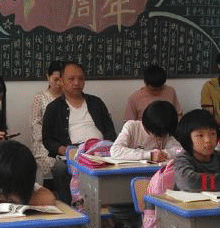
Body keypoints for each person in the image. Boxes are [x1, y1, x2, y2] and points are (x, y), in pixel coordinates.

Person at [41, 61, 116, 203]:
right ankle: (71, 207)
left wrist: (104, 147)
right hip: (73, 153)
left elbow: (110, 131)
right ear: (62, 81)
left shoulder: (96, 102)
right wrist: (65, 151)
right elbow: (47, 139)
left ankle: (110, 207)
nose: (76, 83)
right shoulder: (53, 108)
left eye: (81, 79)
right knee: (59, 168)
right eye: (71, 79)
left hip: (100, 151)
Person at [174, 109, 220, 192]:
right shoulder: (182, 159)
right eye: (200, 135)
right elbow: (188, 182)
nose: (208, 140)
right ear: (187, 139)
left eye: (212, 134)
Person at [110, 100, 183, 163]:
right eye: (157, 135)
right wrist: (149, 155)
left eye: (163, 135)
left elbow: (180, 151)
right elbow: (115, 151)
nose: (159, 138)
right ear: (145, 124)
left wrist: (165, 154)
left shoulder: (166, 130)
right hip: (130, 170)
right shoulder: (132, 127)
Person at [31, 60, 63, 182]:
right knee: (49, 160)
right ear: (48, 77)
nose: (59, 83)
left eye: (62, 79)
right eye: (55, 79)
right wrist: (46, 141)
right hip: (44, 141)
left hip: (65, 141)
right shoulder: (40, 97)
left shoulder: (69, 98)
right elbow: (36, 123)